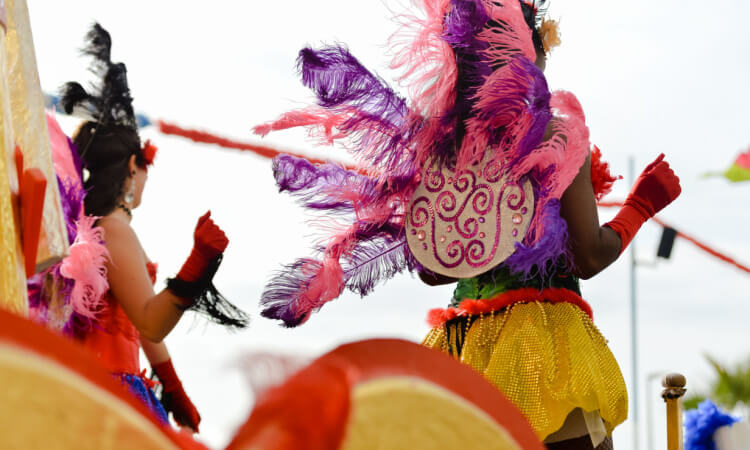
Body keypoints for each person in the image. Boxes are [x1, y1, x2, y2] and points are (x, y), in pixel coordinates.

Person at [253, 1, 680, 448]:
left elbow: (434, 270)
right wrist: (640, 208)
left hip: (462, 346)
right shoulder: (555, 134)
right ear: (531, 52)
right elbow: (589, 255)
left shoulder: (441, 149)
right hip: (545, 353)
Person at [58, 23, 249, 430]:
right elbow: (149, 319)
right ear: (133, 167)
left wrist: (172, 385)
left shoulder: (100, 228)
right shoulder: (113, 229)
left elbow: (138, 325)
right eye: (147, 168)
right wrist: (197, 263)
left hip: (96, 383)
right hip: (109, 389)